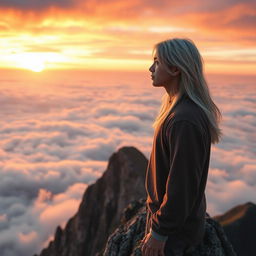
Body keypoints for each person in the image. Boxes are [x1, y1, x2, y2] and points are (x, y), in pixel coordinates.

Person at [140, 38, 223, 256]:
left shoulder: (183, 120)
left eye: (157, 62)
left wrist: (160, 231)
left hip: (174, 238)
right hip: (175, 231)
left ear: (175, 68)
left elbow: (182, 185)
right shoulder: (180, 111)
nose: (151, 68)